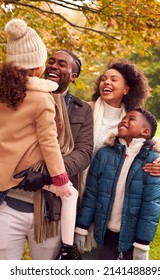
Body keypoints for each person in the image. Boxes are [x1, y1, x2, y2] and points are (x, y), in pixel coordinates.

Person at [1, 44, 94, 259]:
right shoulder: (17, 95)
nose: (54, 66)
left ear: (73, 75)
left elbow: (84, 152)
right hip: (9, 202)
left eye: (62, 64)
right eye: (51, 61)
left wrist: (46, 174)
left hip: (50, 210)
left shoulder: (82, 110)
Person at [78, 60, 160, 258]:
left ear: (127, 88)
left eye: (113, 79)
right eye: (103, 79)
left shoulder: (131, 117)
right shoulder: (85, 109)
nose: (106, 82)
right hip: (81, 191)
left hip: (113, 199)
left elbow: (148, 148)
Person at [75, 107, 160, 260]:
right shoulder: (103, 154)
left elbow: (151, 205)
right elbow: (92, 193)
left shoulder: (152, 160)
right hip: (105, 232)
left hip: (133, 234)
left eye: (131, 119)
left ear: (145, 131)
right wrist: (82, 227)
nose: (124, 120)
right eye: (124, 118)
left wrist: (142, 243)